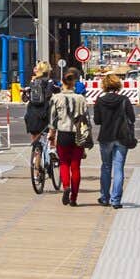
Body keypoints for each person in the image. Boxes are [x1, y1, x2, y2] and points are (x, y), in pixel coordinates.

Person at [92, 72, 137, 209]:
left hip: (106, 137)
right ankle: (116, 200)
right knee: (119, 168)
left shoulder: (100, 100)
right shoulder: (124, 100)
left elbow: (97, 120)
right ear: (118, 84)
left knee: (106, 167)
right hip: (122, 137)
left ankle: (104, 197)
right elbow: (132, 118)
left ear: (104, 85)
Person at [48, 70, 91, 204]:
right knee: (76, 167)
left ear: (62, 83)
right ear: (73, 84)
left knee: (64, 163)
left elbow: (53, 119)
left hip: (63, 134)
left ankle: (66, 186)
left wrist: (52, 134)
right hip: (78, 134)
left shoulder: (56, 98)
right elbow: (86, 119)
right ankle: (74, 198)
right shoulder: (81, 99)